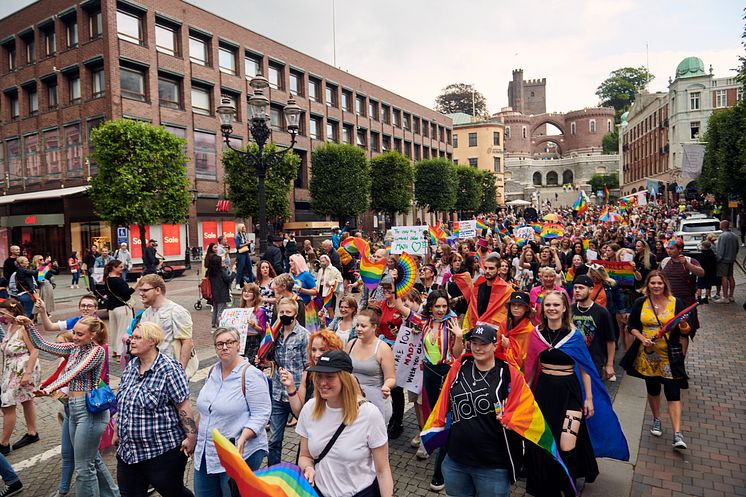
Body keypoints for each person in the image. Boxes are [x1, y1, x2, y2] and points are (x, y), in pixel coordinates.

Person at [524, 291, 628, 497]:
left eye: (556, 305)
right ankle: (547, 485)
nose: (552, 309)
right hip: (544, 392)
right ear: (543, 309)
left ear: (564, 308)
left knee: (567, 443)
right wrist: (526, 390)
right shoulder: (535, 334)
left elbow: (584, 368)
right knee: (546, 439)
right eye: (548, 305)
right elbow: (531, 367)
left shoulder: (574, 335)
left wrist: (588, 398)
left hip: (570, 392)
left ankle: (568, 486)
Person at [24, 316, 120, 497]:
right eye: (74, 332)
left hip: (89, 410)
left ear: (93, 335)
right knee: (92, 460)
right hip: (74, 408)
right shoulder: (73, 348)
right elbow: (43, 345)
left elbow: (75, 372)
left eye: (79, 334)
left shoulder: (96, 351)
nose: (74, 337)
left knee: (84, 467)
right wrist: (29, 326)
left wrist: (49, 388)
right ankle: (114, 494)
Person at [425, 324, 525, 497]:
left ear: (495, 345)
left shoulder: (508, 374)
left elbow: (524, 408)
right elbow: (444, 403)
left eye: (484, 343)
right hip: (456, 460)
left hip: (492, 466)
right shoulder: (459, 368)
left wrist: (512, 416)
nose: (478, 348)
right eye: (474, 342)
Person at [296, 350, 394, 497]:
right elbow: (304, 456)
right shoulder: (310, 408)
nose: (322, 382)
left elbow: (383, 470)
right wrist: (308, 468)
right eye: (319, 376)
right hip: (319, 492)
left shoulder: (369, 415)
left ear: (345, 379)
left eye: (329, 377)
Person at [115, 322, 196, 497]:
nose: (131, 341)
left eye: (137, 338)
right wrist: (117, 432)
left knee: (173, 492)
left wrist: (191, 438)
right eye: (132, 337)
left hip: (161, 452)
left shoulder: (169, 369)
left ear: (152, 341)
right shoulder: (131, 366)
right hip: (128, 453)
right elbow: (123, 403)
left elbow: (183, 405)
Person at [393, 289, 462, 492]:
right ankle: (446, 452)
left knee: (445, 418)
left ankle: (440, 471)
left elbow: (457, 354)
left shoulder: (452, 323)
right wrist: (396, 282)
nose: (441, 310)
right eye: (437, 306)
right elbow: (399, 305)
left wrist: (458, 337)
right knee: (434, 416)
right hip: (430, 375)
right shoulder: (423, 322)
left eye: (444, 306)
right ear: (430, 307)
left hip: (448, 374)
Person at [194, 327, 271, 496]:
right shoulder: (213, 371)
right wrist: (194, 436)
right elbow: (207, 408)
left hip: (238, 453)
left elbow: (262, 414)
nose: (224, 347)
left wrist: (244, 437)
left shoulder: (250, 375)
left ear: (238, 345)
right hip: (207, 452)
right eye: (219, 344)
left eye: (229, 342)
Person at [624, 271, 691, 450]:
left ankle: (678, 433)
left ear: (665, 284)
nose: (656, 286)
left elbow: (685, 331)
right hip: (647, 355)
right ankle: (656, 419)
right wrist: (641, 338)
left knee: (673, 391)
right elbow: (631, 326)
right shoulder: (641, 303)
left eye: (659, 283)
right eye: (652, 283)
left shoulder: (676, 303)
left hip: (669, 355)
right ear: (648, 285)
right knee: (653, 390)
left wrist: (683, 323)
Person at [267, 297, 309, 466]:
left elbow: (308, 365)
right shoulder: (274, 333)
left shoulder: (304, 336)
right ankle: (273, 471)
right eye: (281, 312)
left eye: (288, 312)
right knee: (274, 440)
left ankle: (302, 470)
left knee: (305, 437)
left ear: (295, 314)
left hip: (297, 393)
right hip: (278, 392)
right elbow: (273, 360)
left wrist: (302, 389)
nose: (284, 315)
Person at [0, 299, 40, 455]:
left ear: (12, 312)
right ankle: (32, 433)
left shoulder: (23, 328)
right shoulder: (10, 327)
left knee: (7, 404)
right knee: (27, 400)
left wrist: (27, 373)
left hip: (22, 370)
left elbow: (34, 351)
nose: (1, 317)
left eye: (3, 313)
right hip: (11, 369)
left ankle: (3, 443)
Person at [345, 307, 396, 428]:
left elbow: (391, 377)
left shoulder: (383, 348)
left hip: (375, 400)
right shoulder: (351, 344)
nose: (358, 329)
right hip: (352, 399)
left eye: (363, 326)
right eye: (357, 325)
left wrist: (386, 386)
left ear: (374, 327)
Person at [280, 329, 344, 418]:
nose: (317, 355)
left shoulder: (343, 374)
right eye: (313, 350)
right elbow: (299, 412)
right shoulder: (308, 373)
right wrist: (291, 386)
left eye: (322, 350)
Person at [136, 275, 194, 371]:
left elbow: (187, 342)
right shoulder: (146, 313)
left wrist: (180, 370)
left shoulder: (176, 311)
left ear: (158, 290)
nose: (141, 294)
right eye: (140, 290)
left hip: (170, 369)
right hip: (150, 368)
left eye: (145, 290)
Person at [659, 239, 704, 354]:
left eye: (672, 248)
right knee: (667, 330)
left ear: (680, 249)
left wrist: (686, 264)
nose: (669, 251)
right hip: (668, 302)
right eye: (668, 248)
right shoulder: (665, 261)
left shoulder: (690, 260)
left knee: (684, 332)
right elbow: (657, 276)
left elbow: (701, 273)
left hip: (685, 303)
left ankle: (681, 359)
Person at [570, 275, 616, 381]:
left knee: (592, 394)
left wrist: (609, 364)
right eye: (575, 287)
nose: (577, 290)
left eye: (581, 288)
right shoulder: (569, 310)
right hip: (573, 360)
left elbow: (610, 340)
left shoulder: (601, 312)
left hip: (594, 360)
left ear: (591, 289)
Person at [451, 254, 514, 331]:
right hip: (475, 330)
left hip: (494, 332)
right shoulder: (478, 286)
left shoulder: (507, 290)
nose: (487, 271)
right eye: (485, 268)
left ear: (498, 270)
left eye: (491, 268)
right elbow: (471, 310)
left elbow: (507, 314)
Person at [104, 260, 135, 359]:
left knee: (114, 330)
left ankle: (114, 350)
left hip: (112, 309)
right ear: (114, 267)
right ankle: (120, 353)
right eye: (120, 267)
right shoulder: (118, 280)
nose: (122, 268)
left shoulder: (107, 279)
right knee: (123, 330)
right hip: (122, 308)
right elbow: (126, 294)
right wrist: (137, 284)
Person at [228, 283, 267, 361]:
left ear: (255, 294)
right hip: (241, 339)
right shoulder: (240, 310)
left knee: (250, 363)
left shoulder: (260, 311)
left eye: (250, 292)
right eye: (245, 291)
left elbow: (263, 330)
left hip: (253, 340)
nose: (246, 293)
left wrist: (254, 326)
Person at [498, 291, 534, 371]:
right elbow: (497, 345)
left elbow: (526, 357)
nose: (516, 308)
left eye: (520, 305)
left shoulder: (529, 330)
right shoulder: (504, 324)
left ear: (527, 308)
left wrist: (509, 345)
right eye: (513, 305)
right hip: (501, 365)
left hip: (519, 371)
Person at [206, 249, 235, 328]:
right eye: (221, 262)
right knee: (221, 311)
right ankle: (219, 325)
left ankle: (213, 324)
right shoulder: (220, 272)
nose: (222, 262)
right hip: (221, 294)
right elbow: (228, 279)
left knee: (215, 309)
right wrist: (233, 272)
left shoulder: (210, 271)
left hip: (213, 293)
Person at [713, 219, 739, 303]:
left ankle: (725, 297)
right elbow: (737, 248)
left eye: (720, 225)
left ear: (723, 226)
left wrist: (718, 259)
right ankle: (731, 295)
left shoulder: (722, 236)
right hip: (731, 259)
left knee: (724, 277)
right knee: (731, 276)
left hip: (723, 260)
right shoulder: (734, 236)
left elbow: (720, 250)